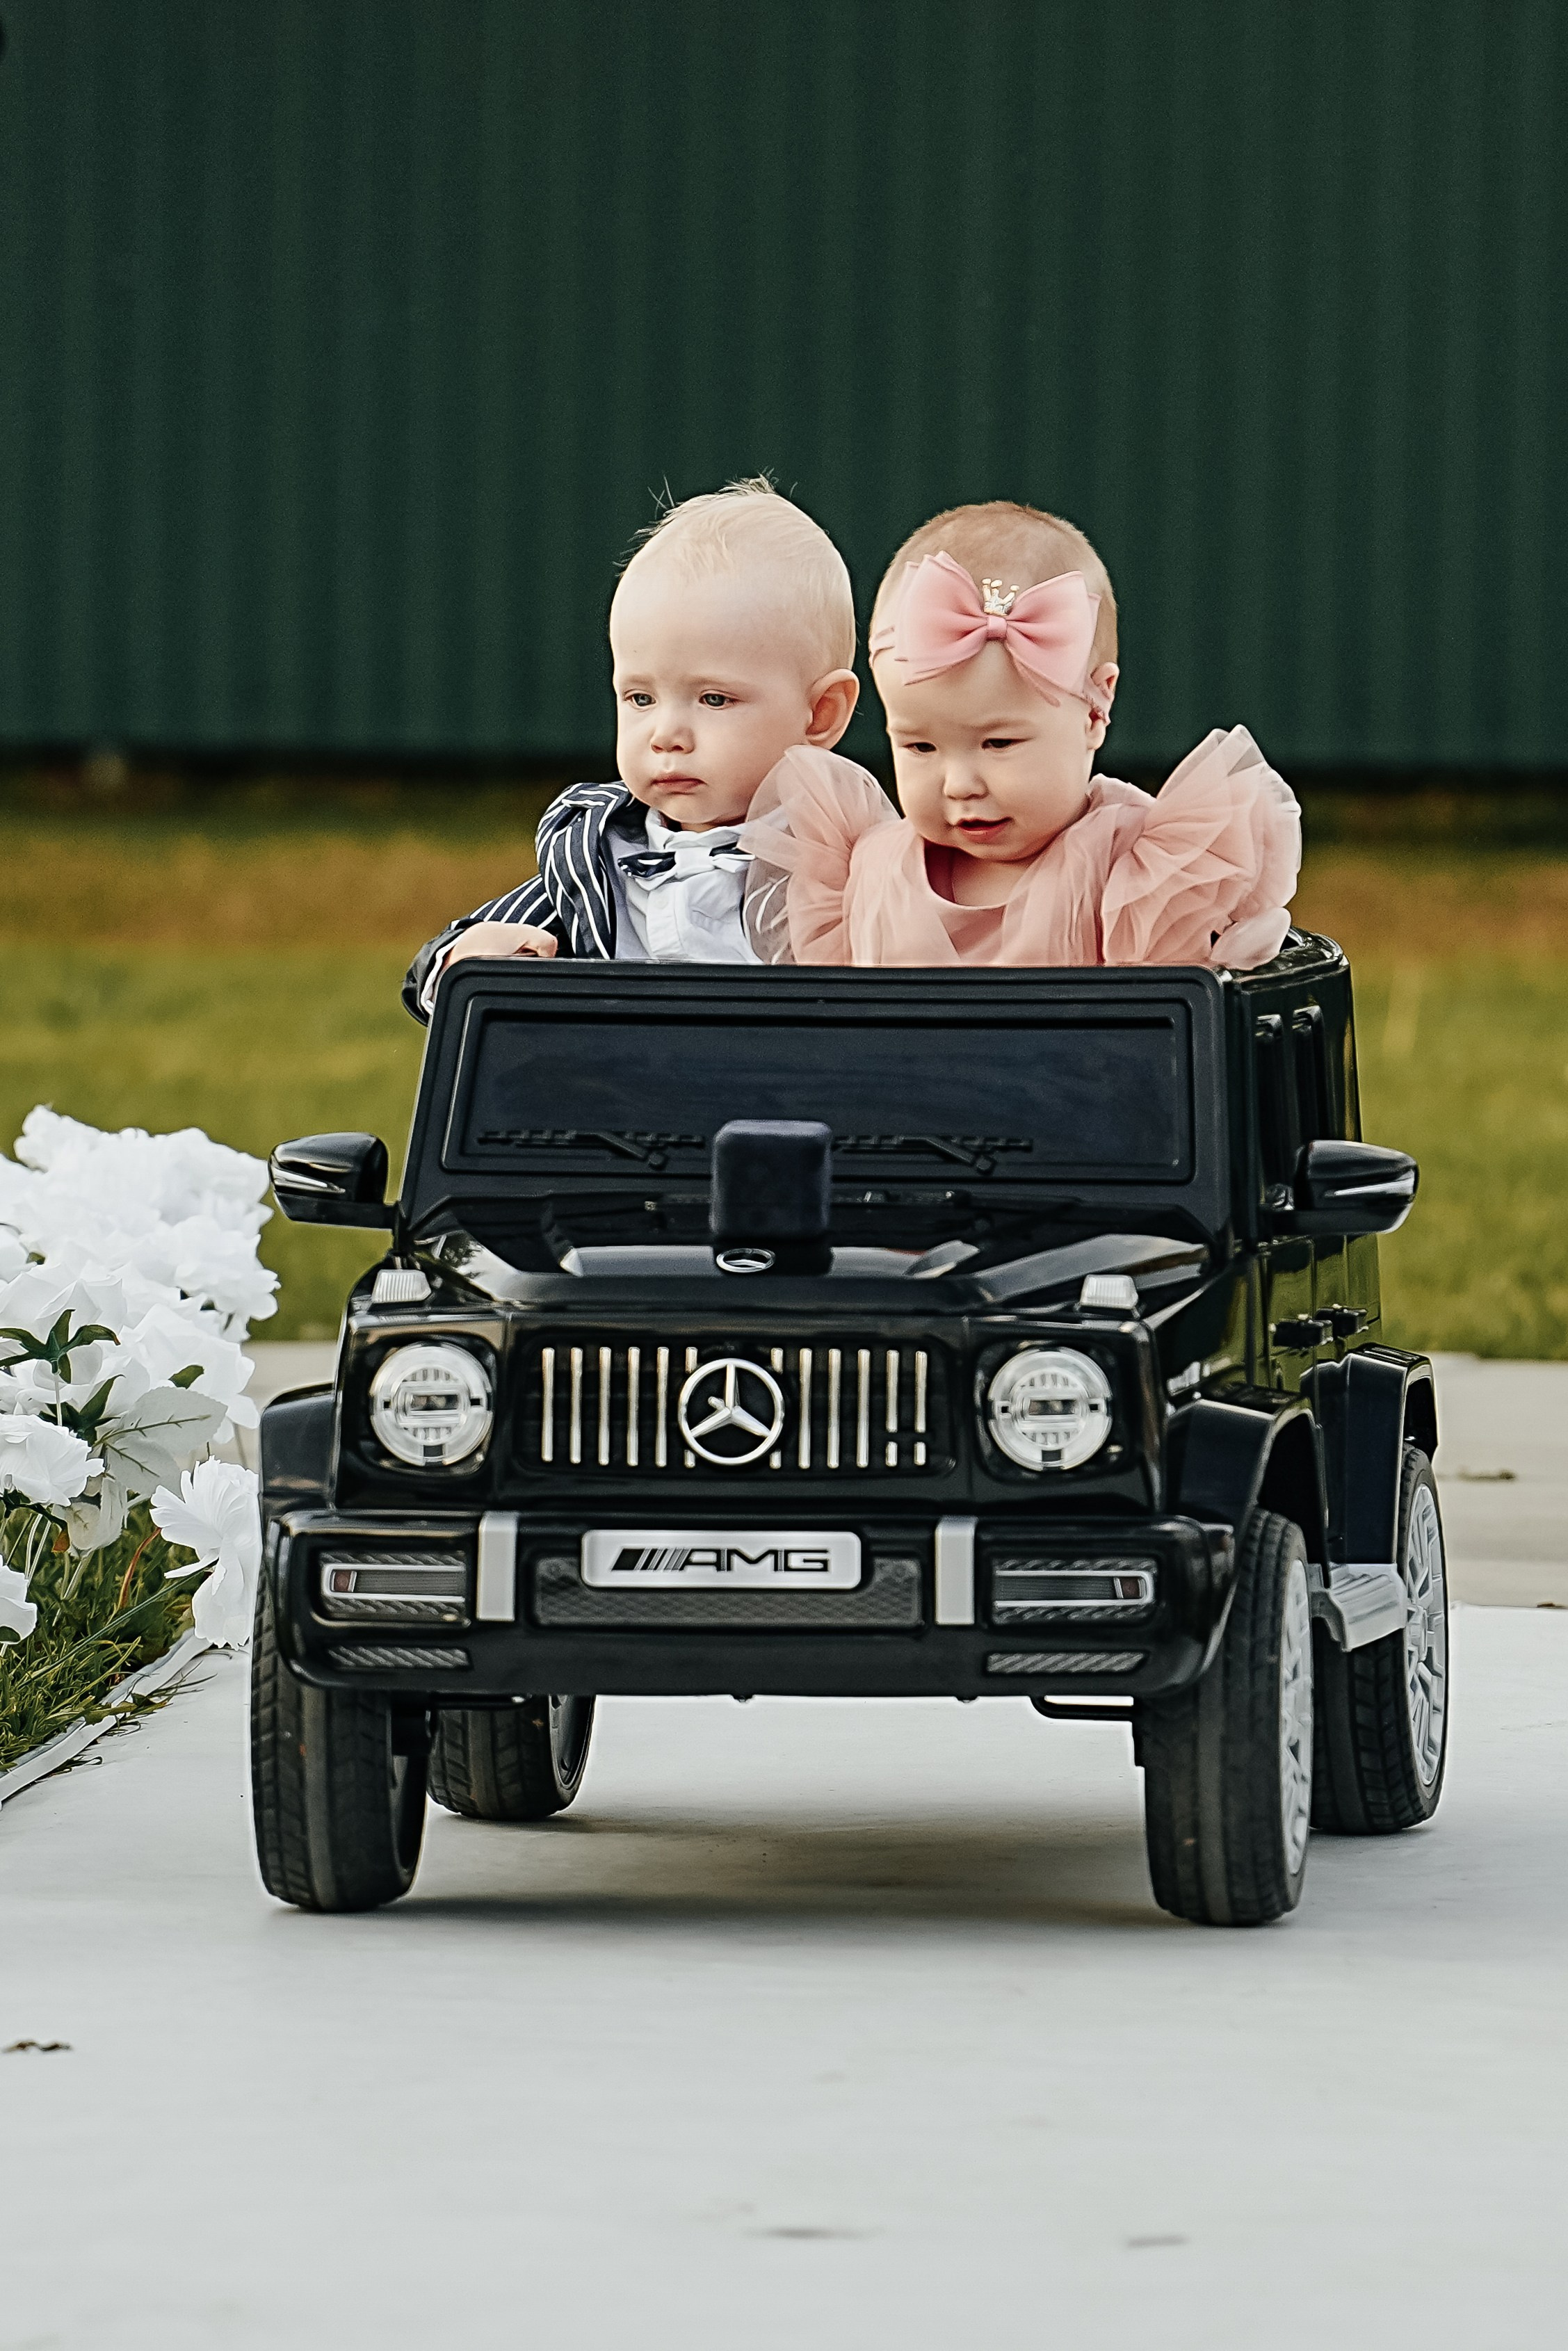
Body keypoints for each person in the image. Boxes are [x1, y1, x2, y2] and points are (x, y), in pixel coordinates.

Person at [739, 500, 1301, 969]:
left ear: (1092, 713)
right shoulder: (860, 876)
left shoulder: (1138, 870)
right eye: (920, 746)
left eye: (997, 743)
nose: (958, 783)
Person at [403, 478, 862, 1017]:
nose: (665, 734)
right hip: (621, 1095)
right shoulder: (599, 859)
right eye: (640, 697)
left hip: (785, 1095)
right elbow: (437, 972)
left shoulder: (850, 865)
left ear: (821, 713)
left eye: (713, 699)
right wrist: (472, 960)